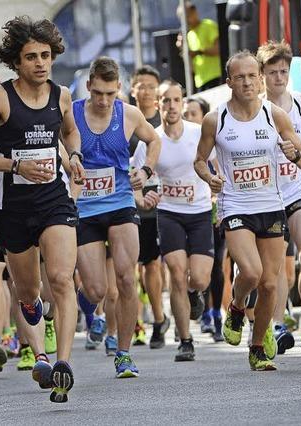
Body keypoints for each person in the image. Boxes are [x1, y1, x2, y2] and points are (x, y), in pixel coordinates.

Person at [0, 16, 85, 403]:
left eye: (45, 56)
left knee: (63, 280)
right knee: (29, 292)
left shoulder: (61, 94)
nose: (40, 63)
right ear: (17, 61)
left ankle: (62, 364)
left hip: (54, 200)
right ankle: (35, 325)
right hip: (12, 207)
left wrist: (75, 155)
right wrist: (15, 165)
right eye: (31, 57)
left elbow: (69, 130)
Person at [194, 51, 301, 371]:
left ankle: (257, 347)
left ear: (260, 79)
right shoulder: (215, 119)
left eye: (251, 76)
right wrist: (210, 178)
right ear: (229, 82)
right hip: (235, 205)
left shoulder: (275, 115)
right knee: (252, 272)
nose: (247, 82)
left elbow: (299, 153)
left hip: (271, 205)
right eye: (239, 77)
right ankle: (235, 306)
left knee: (270, 284)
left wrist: (292, 152)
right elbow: (199, 161)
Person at [72, 57, 160, 377]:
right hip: (85, 209)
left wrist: (147, 170)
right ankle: (91, 313)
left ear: (119, 88)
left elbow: (154, 140)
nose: (104, 100)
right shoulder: (73, 112)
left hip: (121, 203)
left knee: (126, 278)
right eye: (98, 93)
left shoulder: (129, 114)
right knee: (95, 290)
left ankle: (123, 353)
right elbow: (55, 145)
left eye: (110, 94)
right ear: (89, 87)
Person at [257, 40, 301, 354]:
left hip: (298, 188)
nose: (279, 78)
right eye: (272, 73)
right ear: (261, 75)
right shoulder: (254, 109)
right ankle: (280, 323)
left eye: (283, 71)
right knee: (276, 266)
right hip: (268, 194)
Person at [141, 80, 214, 361]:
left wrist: (218, 185)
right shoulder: (152, 138)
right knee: (176, 273)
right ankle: (186, 340)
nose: (171, 106)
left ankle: (197, 293)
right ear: (157, 104)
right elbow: (136, 175)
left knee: (199, 277)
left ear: (182, 103)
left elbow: (218, 164)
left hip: (199, 212)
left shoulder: (198, 133)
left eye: (176, 100)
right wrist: (142, 196)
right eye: (166, 100)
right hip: (169, 213)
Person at [128, 66, 170, 348]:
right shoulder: (127, 120)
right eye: (140, 85)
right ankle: (146, 320)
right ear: (133, 90)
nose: (145, 90)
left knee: (161, 263)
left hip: (167, 196)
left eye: (151, 85)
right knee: (139, 264)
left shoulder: (165, 118)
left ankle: (162, 316)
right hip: (133, 195)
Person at [177, 1, 222, 92]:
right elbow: (191, 67)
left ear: (195, 12)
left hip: (215, 76)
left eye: (188, 16)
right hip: (200, 81)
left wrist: (199, 52)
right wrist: (182, 49)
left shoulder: (208, 25)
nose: (187, 20)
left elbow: (219, 49)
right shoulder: (188, 35)